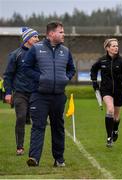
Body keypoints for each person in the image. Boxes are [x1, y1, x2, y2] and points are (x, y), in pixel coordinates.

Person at [23, 21, 76, 167]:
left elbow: (72, 69)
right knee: (38, 126)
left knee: (58, 127)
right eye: (61, 32)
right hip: (39, 95)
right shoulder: (36, 49)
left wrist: (65, 78)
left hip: (59, 96)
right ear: (51, 33)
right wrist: (40, 78)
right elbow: (26, 68)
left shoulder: (65, 51)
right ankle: (34, 158)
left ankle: (59, 159)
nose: (63, 34)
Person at [90, 38, 122, 148]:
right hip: (106, 90)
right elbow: (93, 69)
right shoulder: (102, 61)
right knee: (109, 109)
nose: (116, 48)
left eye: (117, 46)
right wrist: (94, 82)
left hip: (120, 91)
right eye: (113, 46)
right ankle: (109, 137)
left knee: (116, 116)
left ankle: (115, 129)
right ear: (107, 48)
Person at [3, 27, 39, 155]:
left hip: (36, 94)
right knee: (21, 117)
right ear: (28, 39)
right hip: (20, 93)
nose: (38, 39)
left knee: (38, 121)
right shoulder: (15, 54)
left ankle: (35, 148)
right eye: (35, 37)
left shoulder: (39, 54)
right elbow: (8, 75)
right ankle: (20, 147)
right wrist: (7, 92)